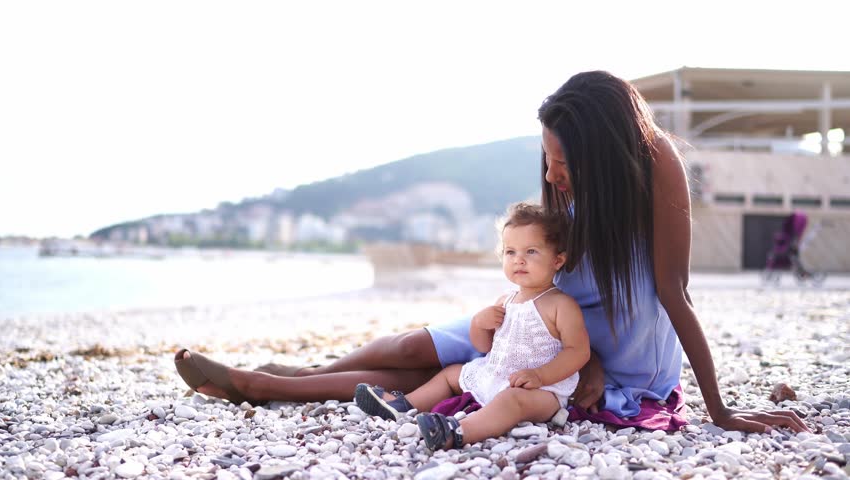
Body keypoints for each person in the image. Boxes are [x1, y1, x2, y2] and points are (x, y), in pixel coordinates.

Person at [174, 70, 809, 434]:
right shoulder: (569, 186)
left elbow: (675, 292)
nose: (554, 175)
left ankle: (261, 385)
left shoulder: (658, 165)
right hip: (545, 309)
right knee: (410, 350)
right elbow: (548, 257)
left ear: (602, 151)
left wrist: (719, 411)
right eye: (548, 159)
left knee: (423, 380)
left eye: (564, 162)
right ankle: (300, 377)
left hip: (613, 346)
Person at [353, 202, 589, 450]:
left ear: (558, 260)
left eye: (531, 251)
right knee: (451, 373)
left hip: (541, 392)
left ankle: (457, 432)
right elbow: (484, 346)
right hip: (495, 375)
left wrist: (540, 376)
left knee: (511, 400)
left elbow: (578, 351)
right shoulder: (505, 300)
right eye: (510, 252)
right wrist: (480, 324)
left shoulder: (561, 305)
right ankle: (403, 405)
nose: (519, 260)